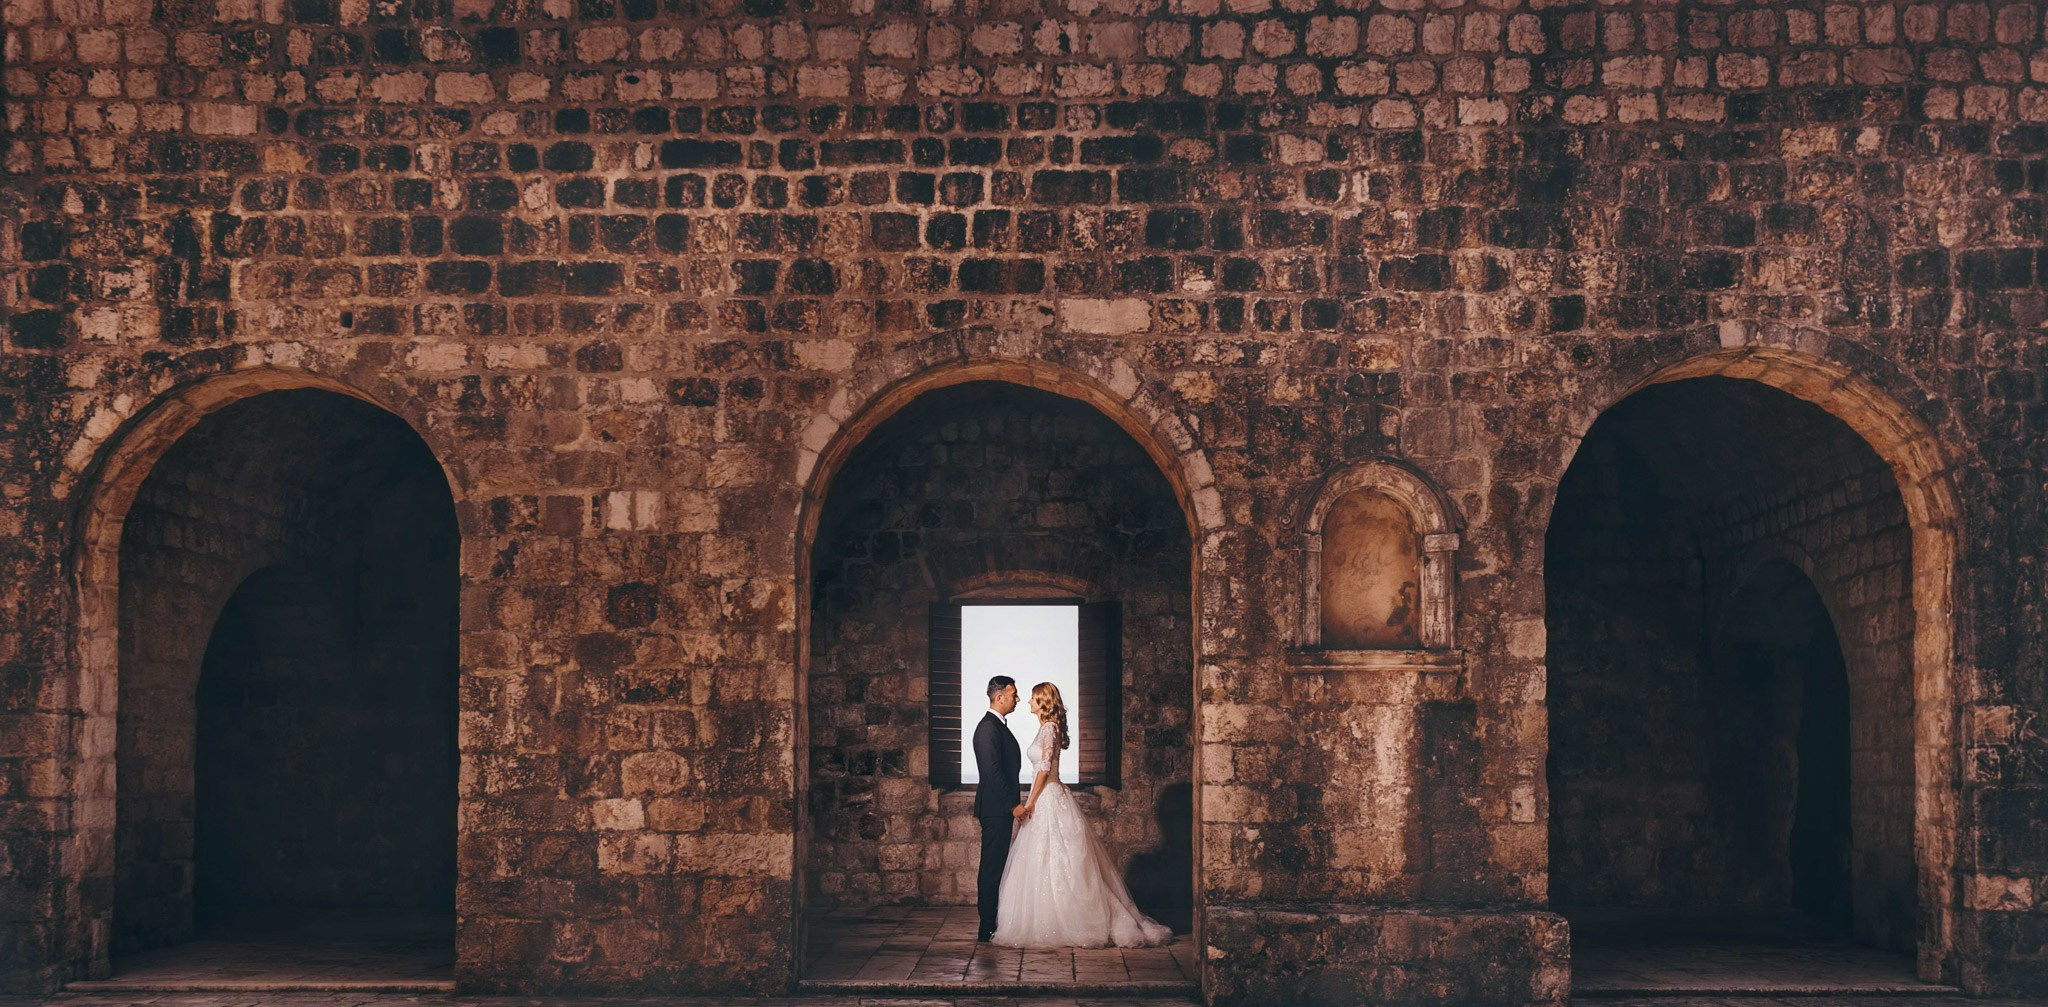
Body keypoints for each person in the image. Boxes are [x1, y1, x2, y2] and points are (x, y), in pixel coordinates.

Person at [991, 682, 1173, 948]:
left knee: (1061, 860)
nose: (1027, 701)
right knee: (1048, 860)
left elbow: (1043, 771)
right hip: (1047, 797)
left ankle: (1073, 919)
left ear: (1043, 702)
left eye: (1032, 698)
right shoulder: (1045, 728)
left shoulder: (1049, 729)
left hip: (1047, 797)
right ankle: (1051, 916)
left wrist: (1029, 804)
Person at [970, 675, 1023, 942]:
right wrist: (1012, 805)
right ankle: (987, 927)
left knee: (997, 865)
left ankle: (993, 922)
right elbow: (992, 772)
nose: (1018, 699)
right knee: (992, 867)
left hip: (998, 808)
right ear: (999, 697)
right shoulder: (988, 728)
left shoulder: (997, 726)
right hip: (995, 808)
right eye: (1014, 694)